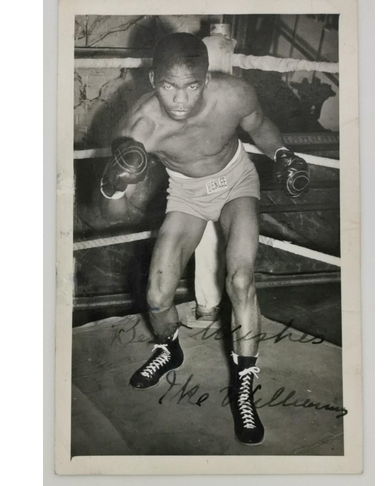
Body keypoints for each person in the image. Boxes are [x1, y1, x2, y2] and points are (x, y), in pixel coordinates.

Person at [100, 32, 309, 446]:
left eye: (191, 86)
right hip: (186, 194)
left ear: (207, 79)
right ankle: (169, 349)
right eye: (168, 86)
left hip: (236, 183)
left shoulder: (233, 95)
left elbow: (263, 127)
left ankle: (244, 388)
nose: (180, 100)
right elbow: (113, 216)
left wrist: (282, 154)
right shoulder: (140, 127)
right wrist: (112, 185)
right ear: (152, 78)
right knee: (158, 295)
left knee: (240, 280)